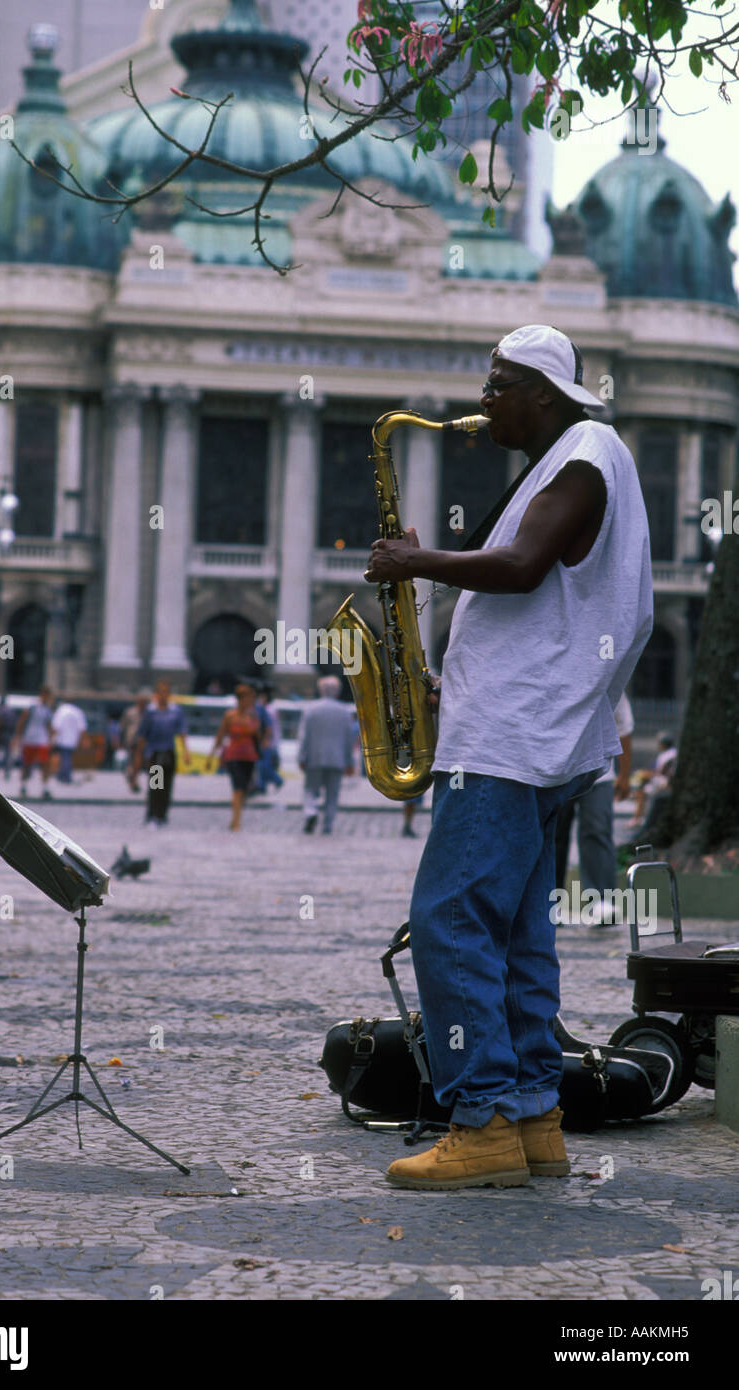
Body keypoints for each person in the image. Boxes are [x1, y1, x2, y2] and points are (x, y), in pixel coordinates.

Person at [365, 325, 653, 1190]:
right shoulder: (575, 456)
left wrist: (417, 560)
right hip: (535, 735)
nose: (483, 402)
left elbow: (526, 566)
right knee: (519, 931)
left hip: (512, 740)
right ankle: (534, 1119)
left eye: (498, 385)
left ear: (544, 391)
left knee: (449, 920)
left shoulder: (585, 452)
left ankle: (481, 1118)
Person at [554, 690, 634, 926]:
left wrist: (625, 774)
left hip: (600, 771)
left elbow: (624, 727)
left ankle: (602, 900)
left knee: (597, 829)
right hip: (557, 771)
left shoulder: (608, 673)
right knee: (553, 834)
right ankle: (549, 902)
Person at [297, 675, 355, 834]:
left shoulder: (310, 709)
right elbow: (348, 739)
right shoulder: (344, 711)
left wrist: (301, 757)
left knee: (310, 789)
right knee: (332, 795)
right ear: (337, 691)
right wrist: (350, 762)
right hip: (337, 759)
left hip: (314, 757)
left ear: (320, 690)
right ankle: (327, 825)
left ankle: (311, 811)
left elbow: (304, 736)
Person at [208, 682, 261, 831]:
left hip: (249, 757)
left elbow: (258, 737)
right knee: (237, 788)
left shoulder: (252, 716)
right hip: (234, 756)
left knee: (244, 789)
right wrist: (211, 756)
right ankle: (236, 821)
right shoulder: (230, 716)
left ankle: (236, 819)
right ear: (240, 699)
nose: (250, 701)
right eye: (247, 698)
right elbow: (220, 736)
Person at [134, 680, 188, 825]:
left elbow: (182, 732)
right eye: (161, 692)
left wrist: (186, 752)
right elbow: (143, 736)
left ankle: (162, 815)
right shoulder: (151, 713)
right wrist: (139, 755)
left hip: (169, 752)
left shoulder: (175, 712)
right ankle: (153, 814)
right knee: (156, 785)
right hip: (155, 753)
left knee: (167, 786)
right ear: (157, 694)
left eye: (166, 692)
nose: (164, 695)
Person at [14, 687, 54, 799]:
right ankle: (23, 786)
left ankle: (45, 788)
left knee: (45, 764)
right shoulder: (32, 706)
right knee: (27, 764)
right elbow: (22, 721)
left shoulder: (48, 709)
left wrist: (51, 738)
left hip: (42, 740)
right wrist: (18, 736)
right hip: (29, 739)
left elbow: (49, 725)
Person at [120, 689, 152, 792]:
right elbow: (123, 727)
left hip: (149, 742)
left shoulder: (151, 713)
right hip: (133, 741)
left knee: (154, 764)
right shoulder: (130, 712)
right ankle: (133, 783)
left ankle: (157, 787)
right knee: (132, 763)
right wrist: (122, 740)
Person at [50, 697, 88, 785]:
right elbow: (82, 728)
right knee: (67, 757)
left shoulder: (61, 710)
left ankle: (63, 775)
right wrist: (83, 740)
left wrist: (52, 737)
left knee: (62, 757)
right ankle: (64, 775)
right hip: (72, 739)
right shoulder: (77, 711)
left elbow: (56, 725)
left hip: (61, 738)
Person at [0, 698, 19, 779]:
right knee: (7, 754)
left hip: (1, 733)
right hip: (9, 734)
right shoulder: (11, 711)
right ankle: (7, 772)